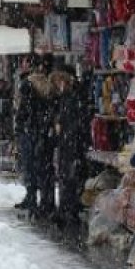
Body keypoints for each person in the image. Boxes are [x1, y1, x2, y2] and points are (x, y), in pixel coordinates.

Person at [14, 54, 59, 217]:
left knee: (30, 167)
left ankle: (33, 198)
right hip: (43, 132)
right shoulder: (48, 85)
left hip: (30, 131)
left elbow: (24, 109)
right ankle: (46, 201)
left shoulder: (27, 84)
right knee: (44, 168)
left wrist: (20, 126)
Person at [52, 64, 90, 228]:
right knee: (65, 177)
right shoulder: (66, 97)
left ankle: (69, 211)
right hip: (67, 143)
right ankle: (65, 210)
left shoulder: (74, 97)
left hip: (72, 144)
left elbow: (77, 123)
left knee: (70, 178)